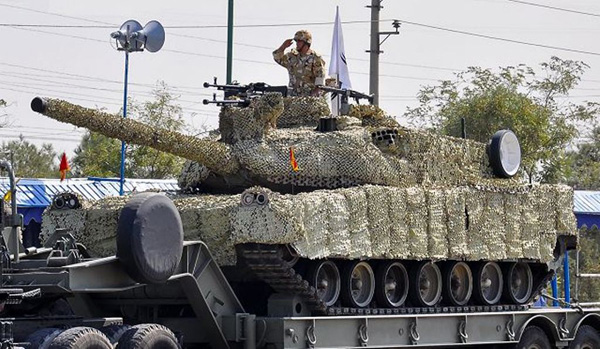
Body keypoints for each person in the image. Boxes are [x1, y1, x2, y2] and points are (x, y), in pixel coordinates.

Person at [273, 30, 326, 97]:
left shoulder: (315, 58)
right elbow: (278, 59)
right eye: (296, 41)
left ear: (306, 42)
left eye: (299, 41)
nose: (297, 43)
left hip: (308, 98)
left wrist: (316, 91)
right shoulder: (291, 56)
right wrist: (283, 47)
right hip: (292, 96)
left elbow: (320, 78)